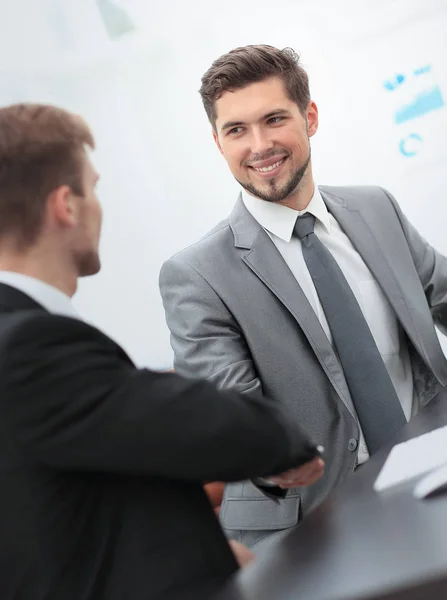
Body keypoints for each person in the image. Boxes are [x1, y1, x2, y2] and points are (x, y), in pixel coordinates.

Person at [0, 103, 325, 600]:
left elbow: (73, 511)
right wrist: (283, 441)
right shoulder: (25, 346)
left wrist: (206, 550)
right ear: (65, 205)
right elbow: (211, 424)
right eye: (94, 187)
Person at [159, 44, 447, 548]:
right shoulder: (196, 275)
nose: (260, 145)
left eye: (274, 119)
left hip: (428, 472)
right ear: (218, 142)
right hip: (312, 526)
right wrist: (265, 457)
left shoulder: (375, 208)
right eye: (236, 130)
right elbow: (234, 422)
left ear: (309, 117)